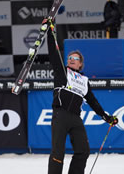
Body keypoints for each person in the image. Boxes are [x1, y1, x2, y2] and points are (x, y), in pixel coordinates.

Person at [45, 19, 118, 174]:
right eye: (70, 58)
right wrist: (50, 33)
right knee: (58, 153)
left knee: (83, 151)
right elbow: (53, 52)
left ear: (80, 64)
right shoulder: (62, 71)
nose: (71, 60)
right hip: (61, 114)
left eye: (75, 59)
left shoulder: (84, 81)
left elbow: (92, 101)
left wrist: (106, 116)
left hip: (75, 118)